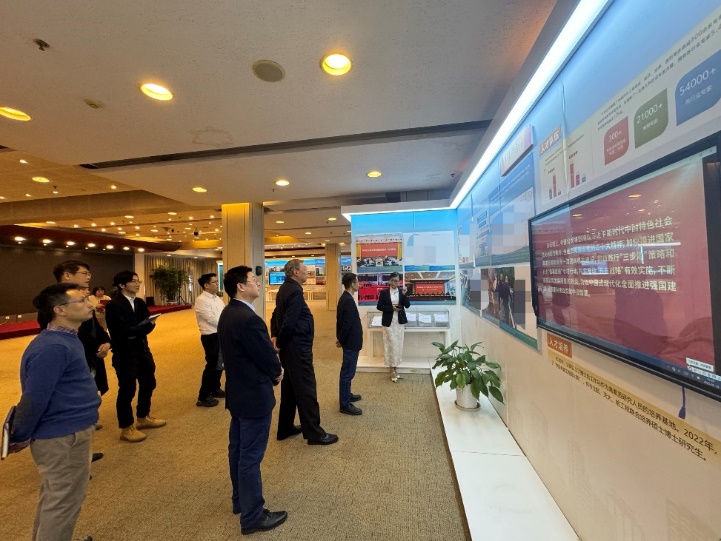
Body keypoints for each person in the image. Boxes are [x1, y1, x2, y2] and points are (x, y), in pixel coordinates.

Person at [9, 283, 100, 541]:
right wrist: (19, 434)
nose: (90, 304)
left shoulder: (66, 338)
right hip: (63, 435)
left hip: (69, 429)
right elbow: (34, 397)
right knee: (63, 502)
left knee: (57, 497)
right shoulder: (53, 347)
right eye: (82, 300)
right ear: (59, 310)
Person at [218, 266, 288, 535]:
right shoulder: (249, 319)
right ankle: (252, 516)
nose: (258, 283)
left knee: (237, 450)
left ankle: (240, 500)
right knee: (249, 457)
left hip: (238, 393)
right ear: (240, 286)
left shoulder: (229, 312)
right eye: (253, 280)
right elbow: (265, 355)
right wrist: (277, 371)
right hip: (254, 396)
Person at [271, 259, 338, 445]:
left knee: (290, 389)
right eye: (304, 269)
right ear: (295, 272)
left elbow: (275, 315)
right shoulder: (294, 290)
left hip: (290, 348)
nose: (307, 272)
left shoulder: (285, 288)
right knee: (307, 390)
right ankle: (315, 433)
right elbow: (289, 322)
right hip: (297, 348)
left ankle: (285, 428)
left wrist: (275, 336)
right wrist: (279, 342)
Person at [54, 260, 111, 463]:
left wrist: (106, 342)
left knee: (89, 398)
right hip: (77, 359)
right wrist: (93, 349)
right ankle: (74, 460)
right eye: (84, 273)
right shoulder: (55, 299)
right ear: (67, 275)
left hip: (92, 357)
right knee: (73, 405)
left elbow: (95, 326)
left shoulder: (83, 299)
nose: (88, 277)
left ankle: (83, 450)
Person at [105, 271, 165, 443]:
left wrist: (137, 331)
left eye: (138, 281)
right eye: (133, 281)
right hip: (124, 353)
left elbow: (149, 324)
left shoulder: (139, 302)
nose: (137, 284)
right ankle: (126, 427)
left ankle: (143, 416)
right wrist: (138, 330)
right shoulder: (114, 305)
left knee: (149, 382)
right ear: (121, 285)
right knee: (127, 389)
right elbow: (120, 330)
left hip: (142, 349)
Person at [194, 273, 226, 407]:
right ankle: (203, 396)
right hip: (210, 335)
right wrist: (227, 323)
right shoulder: (201, 300)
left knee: (220, 363)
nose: (217, 284)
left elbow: (224, 313)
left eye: (217, 282)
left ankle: (215, 388)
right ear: (206, 285)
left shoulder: (217, 298)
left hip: (220, 333)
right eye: (215, 282)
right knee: (212, 365)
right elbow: (211, 318)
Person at [336, 273, 363, 415]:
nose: (359, 285)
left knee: (348, 372)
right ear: (352, 284)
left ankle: (347, 395)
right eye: (357, 282)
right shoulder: (347, 300)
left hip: (349, 341)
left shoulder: (345, 298)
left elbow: (340, 321)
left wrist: (340, 338)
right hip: (350, 342)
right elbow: (346, 324)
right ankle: (345, 404)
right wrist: (341, 339)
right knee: (347, 373)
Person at [376, 272, 411, 382]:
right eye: (392, 280)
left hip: (399, 323)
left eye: (396, 281)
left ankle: (395, 367)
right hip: (389, 323)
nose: (394, 282)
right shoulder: (384, 293)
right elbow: (379, 306)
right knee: (390, 345)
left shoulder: (402, 292)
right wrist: (391, 308)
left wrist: (405, 295)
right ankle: (392, 369)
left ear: (399, 282)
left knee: (398, 345)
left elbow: (407, 305)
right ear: (389, 280)